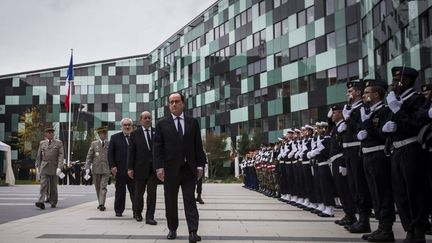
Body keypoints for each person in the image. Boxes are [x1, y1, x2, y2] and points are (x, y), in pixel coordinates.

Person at [382, 66, 430, 243]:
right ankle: (409, 229)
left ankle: (418, 232)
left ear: (406, 81)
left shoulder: (417, 100)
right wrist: (386, 130)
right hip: (397, 151)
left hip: (412, 150)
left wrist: (398, 111)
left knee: (415, 192)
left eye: (396, 81)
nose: (393, 84)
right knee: (400, 193)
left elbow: (413, 125)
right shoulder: (396, 101)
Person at [153, 92, 206, 243]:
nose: (174, 104)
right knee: (170, 201)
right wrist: (159, 168)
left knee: (190, 200)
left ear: (183, 103)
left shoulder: (192, 123)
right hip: (170, 170)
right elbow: (158, 148)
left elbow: (198, 146)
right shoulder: (162, 124)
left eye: (177, 101)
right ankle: (172, 228)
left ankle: (193, 231)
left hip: (189, 170)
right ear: (169, 105)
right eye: (171, 102)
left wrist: (200, 166)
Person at [357, 79, 395, 242]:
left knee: (383, 192)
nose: (364, 95)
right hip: (367, 156)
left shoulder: (385, 111)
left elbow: (383, 135)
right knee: (374, 193)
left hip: (379, 156)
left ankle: (387, 229)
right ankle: (380, 227)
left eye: (367, 92)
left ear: (376, 94)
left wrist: (368, 125)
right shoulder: (367, 111)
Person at [127, 111, 158, 225]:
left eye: (149, 118)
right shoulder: (135, 134)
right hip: (139, 168)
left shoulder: (157, 132)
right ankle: (137, 213)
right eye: (145, 118)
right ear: (141, 120)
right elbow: (131, 152)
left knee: (152, 193)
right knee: (139, 193)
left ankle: (150, 216)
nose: (148, 119)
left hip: (153, 170)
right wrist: (130, 168)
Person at [108, 118, 135, 217]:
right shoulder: (115, 138)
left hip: (133, 170)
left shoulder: (135, 137)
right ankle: (119, 210)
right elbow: (110, 154)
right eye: (125, 125)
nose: (127, 127)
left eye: (129, 125)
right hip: (120, 170)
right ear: (121, 126)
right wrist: (112, 166)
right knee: (120, 191)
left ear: (131, 126)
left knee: (135, 192)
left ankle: (136, 211)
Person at [35, 126, 64, 209]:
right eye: (49, 132)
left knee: (53, 186)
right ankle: (40, 201)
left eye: (52, 132)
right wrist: (38, 167)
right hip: (44, 166)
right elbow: (39, 156)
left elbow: (61, 156)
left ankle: (53, 201)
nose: (51, 134)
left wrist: (59, 167)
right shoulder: (42, 143)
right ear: (46, 134)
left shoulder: (58, 143)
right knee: (43, 185)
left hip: (54, 167)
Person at [85, 126, 111, 211]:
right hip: (96, 169)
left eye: (104, 134)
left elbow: (112, 156)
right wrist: (87, 168)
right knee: (97, 187)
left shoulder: (109, 143)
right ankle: (100, 201)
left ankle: (101, 204)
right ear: (99, 134)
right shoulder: (94, 144)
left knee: (103, 186)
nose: (103, 135)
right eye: (101, 134)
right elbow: (89, 156)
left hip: (106, 169)